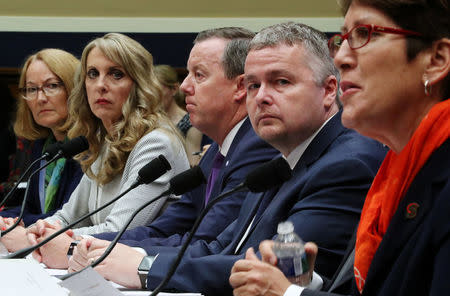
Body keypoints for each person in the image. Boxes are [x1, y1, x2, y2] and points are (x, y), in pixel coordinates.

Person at [70, 23, 387, 295]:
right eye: (253, 85)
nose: (261, 96)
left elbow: (266, 272)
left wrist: (142, 266)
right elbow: (221, 248)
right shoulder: (281, 159)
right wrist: (120, 253)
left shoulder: (344, 165)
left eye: (281, 82)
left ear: (329, 90)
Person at [230, 1, 450, 295]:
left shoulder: (423, 171)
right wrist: (303, 283)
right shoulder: (398, 171)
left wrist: (288, 294)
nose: (342, 57)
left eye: (364, 34)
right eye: (343, 39)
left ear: (436, 60)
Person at [68, 27, 279, 275]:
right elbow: (164, 228)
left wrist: (128, 259)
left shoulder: (256, 147)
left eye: (198, 75)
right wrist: (87, 244)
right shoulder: (217, 152)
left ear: (240, 87)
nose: (184, 87)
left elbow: (207, 242)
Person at [11, 33, 190, 269]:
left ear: (138, 84)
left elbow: (119, 229)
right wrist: (39, 230)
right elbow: (68, 216)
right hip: (98, 265)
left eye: (116, 74)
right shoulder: (105, 140)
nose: (101, 85)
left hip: (142, 272)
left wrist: (43, 239)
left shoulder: (155, 142)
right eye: (92, 74)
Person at [0, 49, 83, 248]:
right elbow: (28, 207)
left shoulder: (86, 146)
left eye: (52, 86)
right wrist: (5, 219)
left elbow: (70, 216)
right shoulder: (43, 145)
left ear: (74, 89)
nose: (40, 98)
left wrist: (19, 224)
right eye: (31, 89)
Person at [154, 64, 203, 167]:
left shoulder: (190, 121)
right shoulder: (150, 119)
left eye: (158, 89)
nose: (154, 96)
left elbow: (192, 163)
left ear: (174, 89)